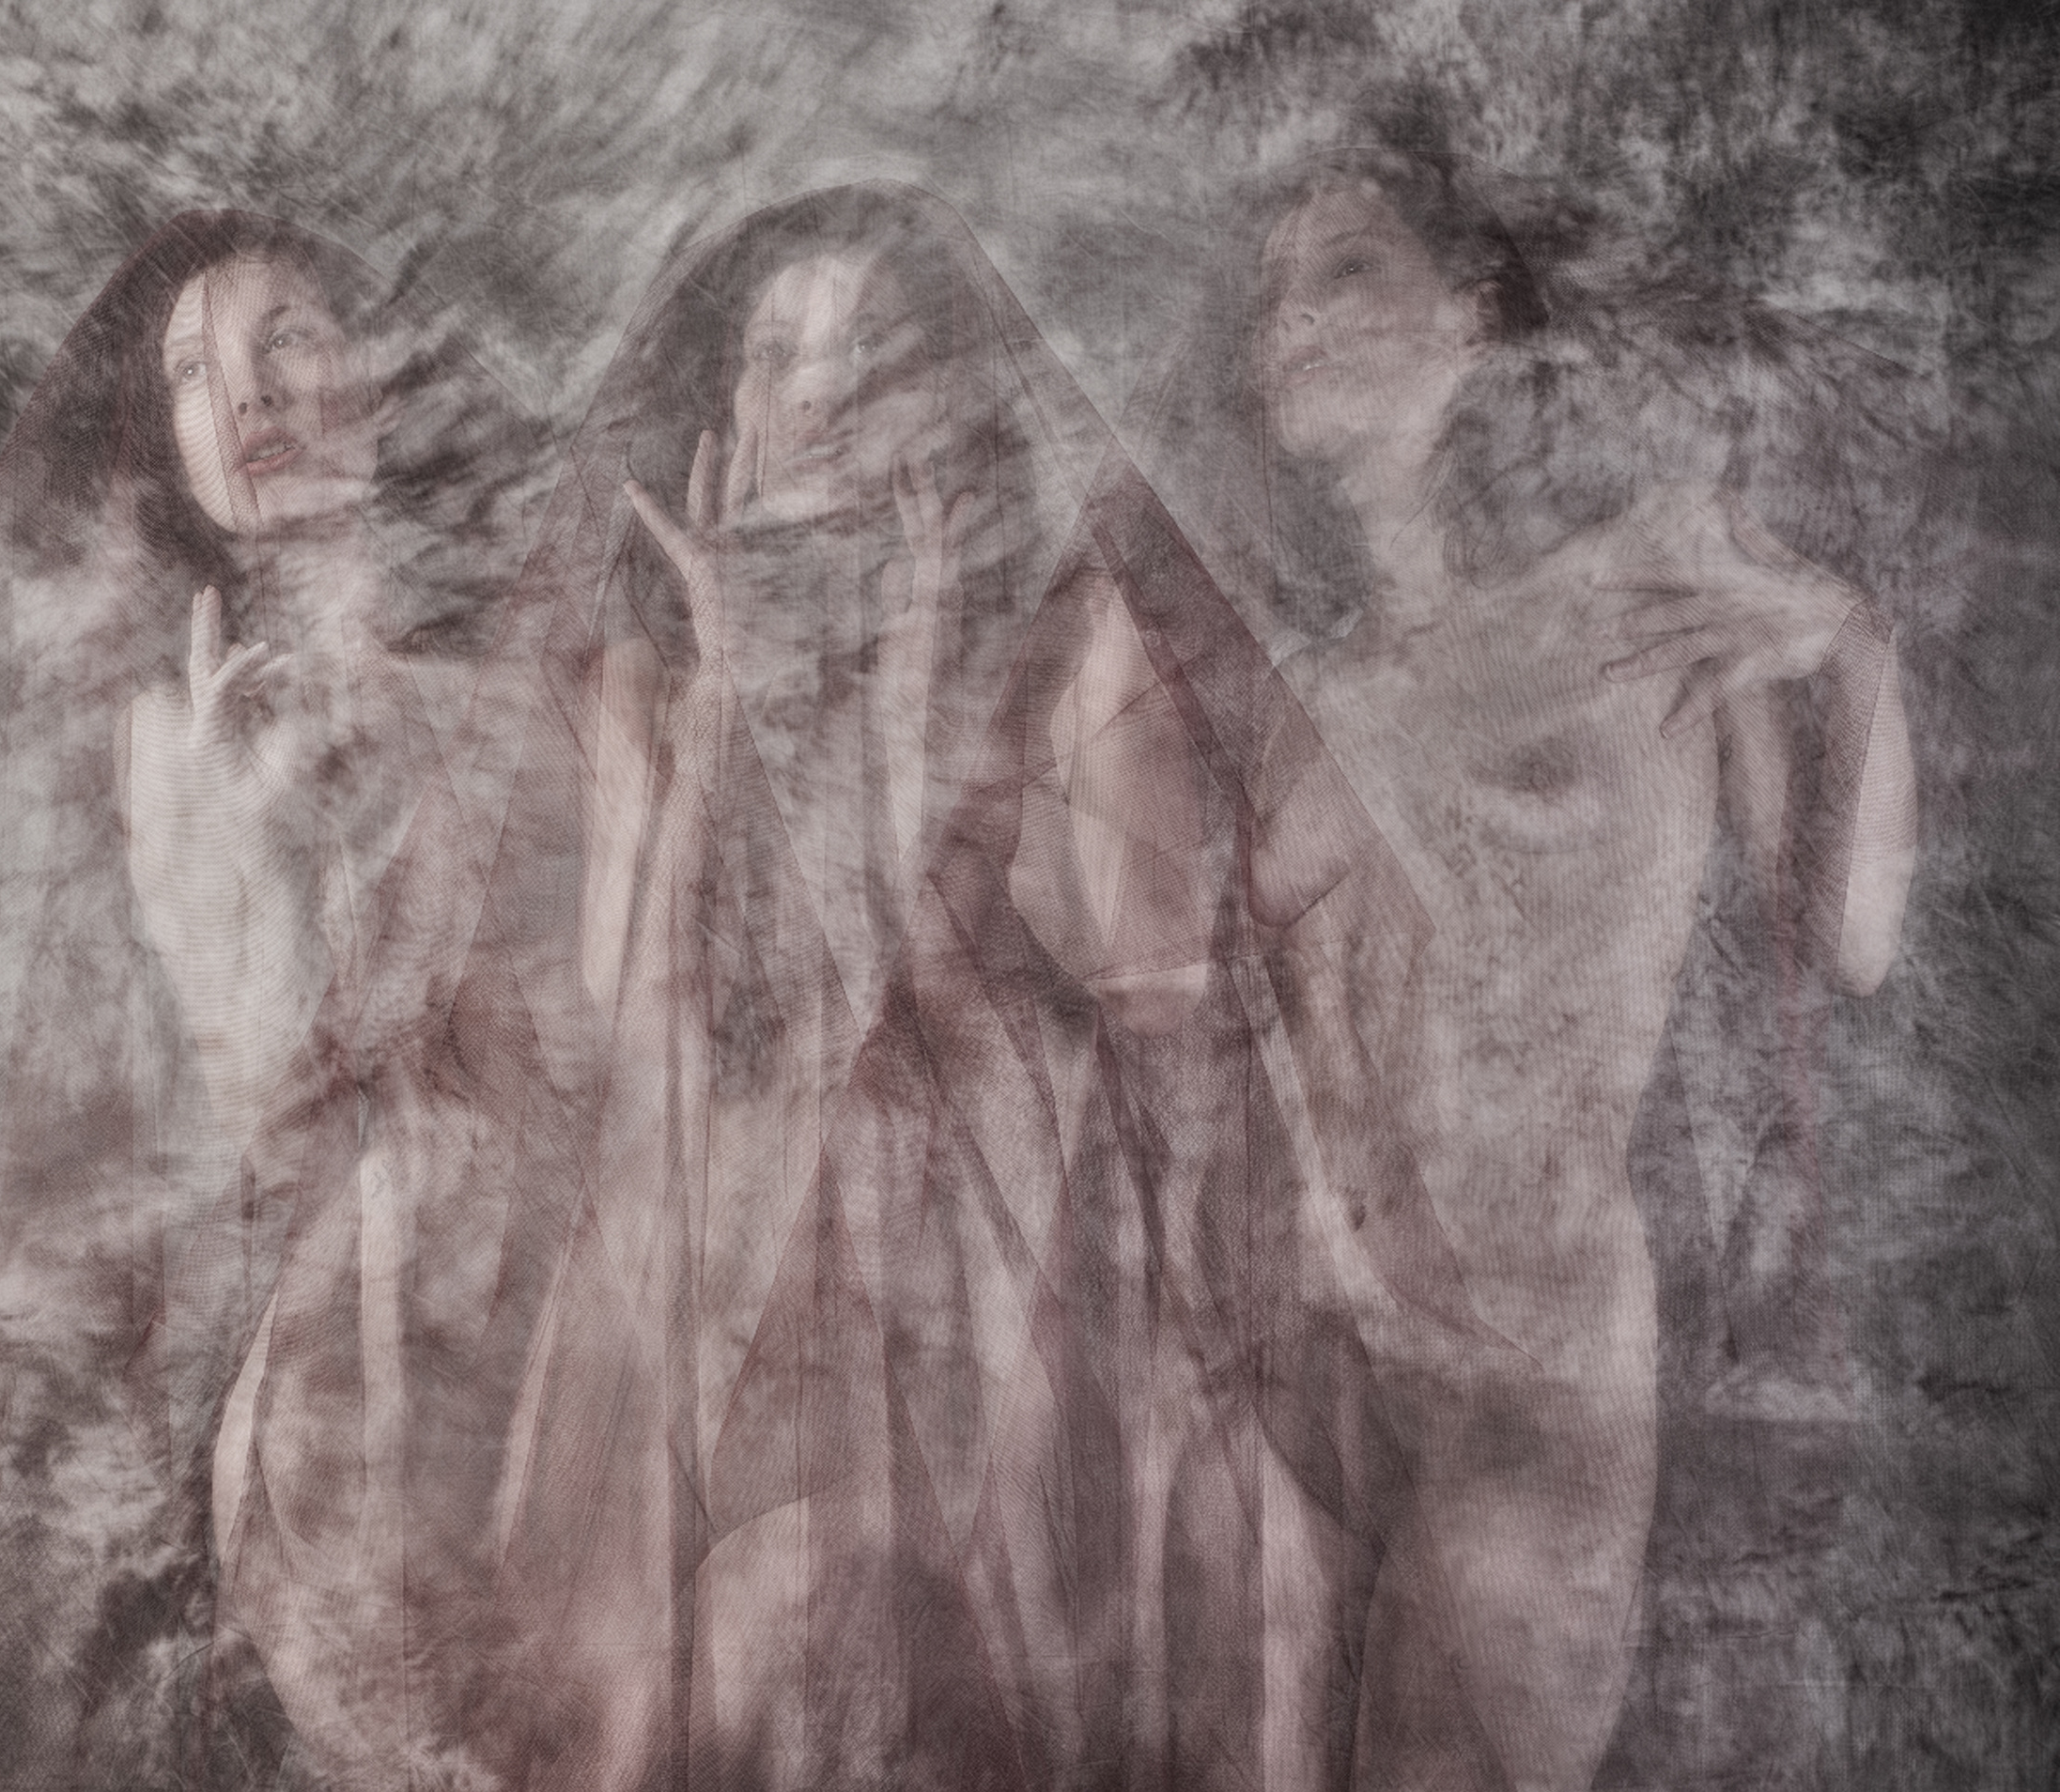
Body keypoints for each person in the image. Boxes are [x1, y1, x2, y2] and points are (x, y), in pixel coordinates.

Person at [218, 180, 1485, 1791]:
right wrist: (738, 685)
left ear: (953, 401)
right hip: (702, 1279)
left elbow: (1143, 1026)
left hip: (1009, 1301)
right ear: (726, 403)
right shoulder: (645, 685)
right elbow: (646, 1026)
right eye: (775, 355)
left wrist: (922, 712)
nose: (815, 398)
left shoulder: (1081, 650)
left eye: (870, 354)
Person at [0, 209, 540, 1788]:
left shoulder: (522, 698)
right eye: (190, 372)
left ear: (380, 372)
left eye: (289, 337)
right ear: (165, 447)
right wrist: (235, 851)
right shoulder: (157, 734)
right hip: (256, 1331)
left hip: (505, 1312)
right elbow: (236, 1120)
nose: (250, 394)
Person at [1145, 147, 1920, 1788]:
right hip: (1281, 1336)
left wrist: (1849, 648)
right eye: (1272, 295)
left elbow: (1849, 939)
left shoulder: (1652, 580)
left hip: (1527, 1347)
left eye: (1347, 269)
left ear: (1476, 307)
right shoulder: (1288, 672)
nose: (1294, 322)